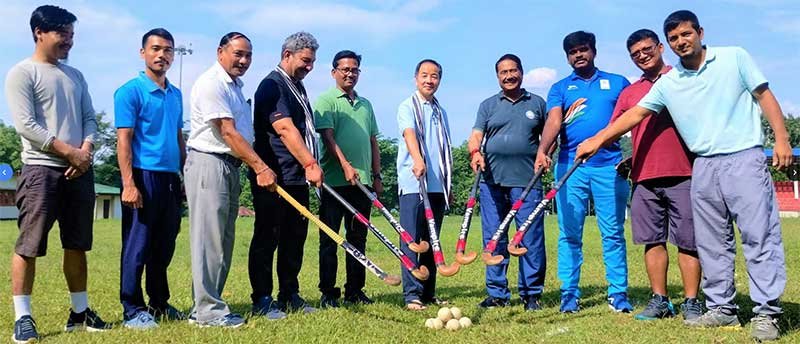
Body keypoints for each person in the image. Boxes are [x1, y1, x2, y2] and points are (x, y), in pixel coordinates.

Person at [577, 10, 790, 341]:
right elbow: (634, 114)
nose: (681, 41)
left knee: (758, 236)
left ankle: (767, 313)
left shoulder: (734, 57)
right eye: (675, 37)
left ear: (700, 32)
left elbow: (764, 95)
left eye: (685, 34)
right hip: (703, 164)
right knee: (711, 243)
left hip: (743, 157)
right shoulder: (670, 82)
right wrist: (596, 140)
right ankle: (722, 308)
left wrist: (782, 138)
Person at [6, 5, 112, 342]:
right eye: (61, 33)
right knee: (29, 245)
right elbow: (26, 125)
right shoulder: (22, 73)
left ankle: (79, 313)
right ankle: (23, 318)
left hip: (80, 170)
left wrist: (87, 150)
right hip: (41, 169)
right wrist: (70, 152)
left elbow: (90, 119)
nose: (68, 40)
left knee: (77, 244)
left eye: (71, 34)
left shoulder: (75, 75)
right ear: (39, 32)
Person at [534, 30, 632, 314]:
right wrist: (543, 150)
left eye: (583, 49)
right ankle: (569, 294)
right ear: (567, 57)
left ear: (594, 51)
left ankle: (618, 294)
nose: (579, 55)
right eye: (573, 52)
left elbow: (634, 119)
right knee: (569, 234)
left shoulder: (617, 83)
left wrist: (632, 156)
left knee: (612, 233)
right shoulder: (561, 87)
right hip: (570, 167)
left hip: (609, 166)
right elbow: (553, 121)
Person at [185, 32, 277, 328]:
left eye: (248, 55)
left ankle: (206, 305)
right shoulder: (212, 83)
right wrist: (261, 167)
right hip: (209, 164)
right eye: (238, 53)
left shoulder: (235, 86)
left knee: (223, 241)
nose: (244, 60)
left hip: (229, 166)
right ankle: (207, 312)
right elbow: (227, 132)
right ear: (220, 51)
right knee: (208, 240)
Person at [612, 29, 703, 322]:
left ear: (660, 47)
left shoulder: (682, 78)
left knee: (688, 241)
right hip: (643, 177)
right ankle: (660, 300)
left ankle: (691, 301)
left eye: (647, 49)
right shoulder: (629, 92)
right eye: (635, 53)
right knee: (652, 241)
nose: (642, 55)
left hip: (684, 172)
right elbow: (618, 128)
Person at [114, 28, 187, 330]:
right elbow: (124, 141)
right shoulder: (130, 91)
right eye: (156, 49)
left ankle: (159, 302)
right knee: (137, 245)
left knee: (164, 244)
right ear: (143, 52)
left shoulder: (176, 94)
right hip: (143, 176)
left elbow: (178, 137)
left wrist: (182, 177)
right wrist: (129, 184)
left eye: (168, 50)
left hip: (170, 178)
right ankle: (132, 308)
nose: (162, 55)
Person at [250, 31, 322, 317]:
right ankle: (263, 298)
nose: (309, 67)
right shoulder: (272, 85)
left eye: (313, 61)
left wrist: (306, 168)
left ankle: (290, 293)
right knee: (268, 237)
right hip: (274, 177)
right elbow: (285, 129)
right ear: (287, 54)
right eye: (305, 60)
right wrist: (310, 164)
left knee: (295, 238)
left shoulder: (297, 85)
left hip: (297, 179)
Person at [468, 54, 547, 311]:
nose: (509, 76)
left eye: (513, 71)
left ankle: (531, 293)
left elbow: (549, 138)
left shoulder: (537, 103)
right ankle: (497, 294)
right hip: (491, 183)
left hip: (527, 182)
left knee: (529, 238)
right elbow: (476, 135)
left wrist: (545, 154)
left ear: (522, 73)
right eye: (504, 72)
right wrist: (475, 152)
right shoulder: (488, 105)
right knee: (494, 237)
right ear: (497, 76)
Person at [314, 50, 382, 308]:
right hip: (334, 183)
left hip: (362, 184)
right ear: (334, 72)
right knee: (330, 239)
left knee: (358, 238)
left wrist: (376, 175)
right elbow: (328, 137)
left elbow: (373, 140)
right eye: (345, 69)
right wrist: (344, 165)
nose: (350, 74)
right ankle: (328, 293)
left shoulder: (366, 104)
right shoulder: (326, 100)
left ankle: (355, 290)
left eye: (354, 70)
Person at [397, 59, 452, 311]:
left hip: (436, 185)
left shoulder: (441, 111)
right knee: (411, 241)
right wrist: (418, 160)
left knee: (432, 241)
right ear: (415, 78)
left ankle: (428, 293)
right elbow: (410, 134)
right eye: (425, 75)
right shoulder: (407, 106)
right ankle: (411, 295)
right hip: (413, 184)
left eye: (435, 76)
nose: (430, 80)